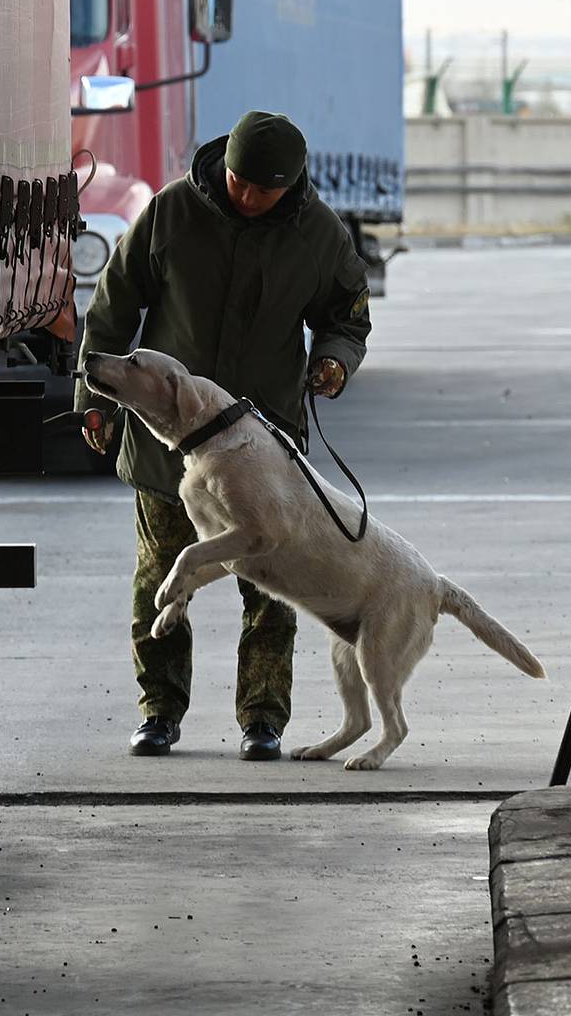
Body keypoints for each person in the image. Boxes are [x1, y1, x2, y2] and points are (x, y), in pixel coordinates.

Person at [75, 109, 372, 760]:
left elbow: (348, 317)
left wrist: (333, 362)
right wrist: (91, 400)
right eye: (239, 181)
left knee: (270, 585)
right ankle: (159, 710)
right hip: (167, 444)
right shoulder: (171, 213)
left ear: (290, 186)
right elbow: (111, 310)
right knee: (160, 576)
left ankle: (262, 720)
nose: (247, 196)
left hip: (265, 449)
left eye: (263, 190)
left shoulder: (318, 235)